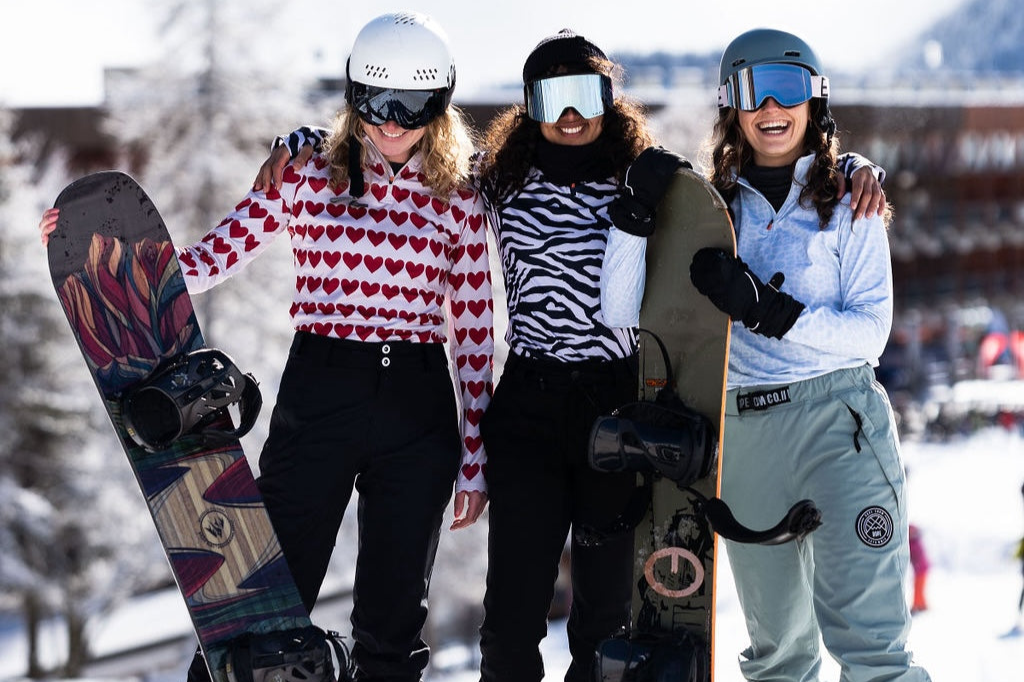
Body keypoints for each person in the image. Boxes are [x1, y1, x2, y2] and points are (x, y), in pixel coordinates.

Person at [261, 28, 886, 682]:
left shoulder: (648, 182)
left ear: (609, 102)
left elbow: (723, 202)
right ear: (528, 104)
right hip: (528, 405)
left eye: (584, 96)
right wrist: (309, 139)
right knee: (511, 621)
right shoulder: (495, 178)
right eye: (550, 97)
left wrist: (850, 167)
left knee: (604, 620)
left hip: (615, 405)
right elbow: (403, 146)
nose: (567, 114)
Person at [41, 12, 493, 682]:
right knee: (260, 601)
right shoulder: (307, 171)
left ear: (441, 103)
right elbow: (214, 256)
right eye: (376, 103)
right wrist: (96, 250)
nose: (392, 124)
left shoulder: (458, 193)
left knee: (393, 624)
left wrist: (475, 457)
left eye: (412, 107)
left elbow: (476, 329)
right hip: (323, 391)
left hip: (417, 409)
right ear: (353, 95)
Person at [676, 28, 928, 682]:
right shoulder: (709, 210)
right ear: (730, 105)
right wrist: (635, 213)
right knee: (778, 658)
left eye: (786, 89)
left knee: (873, 646)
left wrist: (768, 309)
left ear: (815, 99)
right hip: (747, 432)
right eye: (750, 91)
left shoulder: (850, 200)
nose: (770, 107)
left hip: (838, 423)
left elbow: (869, 334)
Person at [908, 523, 930, 614]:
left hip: (921, 569)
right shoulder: (915, 541)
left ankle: (918, 605)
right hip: (921, 569)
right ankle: (920, 604)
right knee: (918, 586)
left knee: (918, 587)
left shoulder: (913, 543)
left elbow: (913, 556)